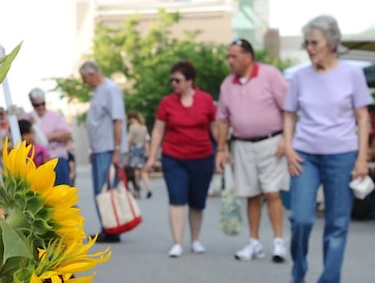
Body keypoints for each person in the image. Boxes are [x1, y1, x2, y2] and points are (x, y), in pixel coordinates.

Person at [282, 15, 371, 283]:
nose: (309, 48)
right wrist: (289, 147)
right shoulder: (299, 77)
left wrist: (362, 157)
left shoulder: (352, 74)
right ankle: (298, 272)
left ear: (331, 44)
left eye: (314, 43)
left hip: (342, 154)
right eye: (306, 43)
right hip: (305, 154)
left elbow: (362, 117)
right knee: (301, 219)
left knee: (337, 222)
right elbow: (290, 114)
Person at [215, 38, 290, 262]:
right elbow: (222, 119)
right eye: (228, 56)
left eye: (234, 56)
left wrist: (287, 138)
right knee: (251, 194)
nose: (230, 61)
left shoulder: (270, 75)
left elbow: (288, 108)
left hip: (271, 142)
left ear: (248, 56)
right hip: (242, 144)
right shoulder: (228, 84)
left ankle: (278, 241)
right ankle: (254, 242)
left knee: (272, 192)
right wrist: (221, 149)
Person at [143, 60, 217, 258]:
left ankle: (195, 239)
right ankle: (177, 242)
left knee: (197, 201)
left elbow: (214, 128)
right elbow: (158, 130)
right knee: (176, 198)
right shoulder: (167, 102)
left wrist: (222, 153)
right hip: (174, 158)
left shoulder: (206, 100)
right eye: (172, 80)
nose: (174, 84)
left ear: (190, 81)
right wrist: (151, 158)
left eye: (178, 80)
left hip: (202, 157)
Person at [80, 60, 126, 243]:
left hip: (108, 149)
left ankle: (112, 228)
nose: (85, 82)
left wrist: (116, 150)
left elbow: (118, 120)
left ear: (91, 74)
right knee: (100, 191)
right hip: (100, 149)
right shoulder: (98, 91)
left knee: (107, 191)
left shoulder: (110, 89)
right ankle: (107, 227)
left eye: (84, 78)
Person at [25, 87, 73, 186]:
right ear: (32, 104)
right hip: (37, 162)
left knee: (62, 190)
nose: (40, 107)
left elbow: (67, 134)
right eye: (37, 105)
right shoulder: (28, 117)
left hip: (56, 158)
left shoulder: (55, 116)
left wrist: (49, 136)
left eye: (42, 104)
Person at [124, 112, 151, 198]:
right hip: (142, 149)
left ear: (132, 118)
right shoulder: (143, 127)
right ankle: (148, 188)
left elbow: (130, 140)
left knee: (135, 171)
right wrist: (148, 152)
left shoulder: (132, 127)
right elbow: (146, 141)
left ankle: (136, 190)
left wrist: (126, 150)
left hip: (134, 148)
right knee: (143, 171)